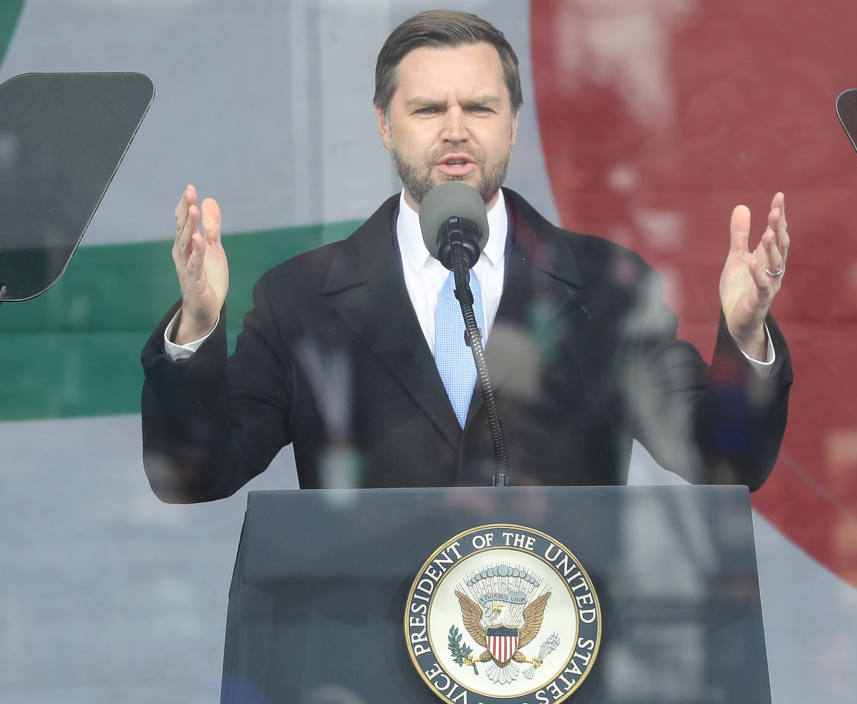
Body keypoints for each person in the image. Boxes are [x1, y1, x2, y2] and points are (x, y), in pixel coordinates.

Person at [141, 9, 792, 503]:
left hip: (564, 661)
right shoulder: (302, 299)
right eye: (427, 108)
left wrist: (745, 339)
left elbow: (724, 462)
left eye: (479, 107)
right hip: (370, 669)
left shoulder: (607, 287)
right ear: (383, 124)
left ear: (513, 121)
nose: (455, 129)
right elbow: (196, 474)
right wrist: (196, 330)